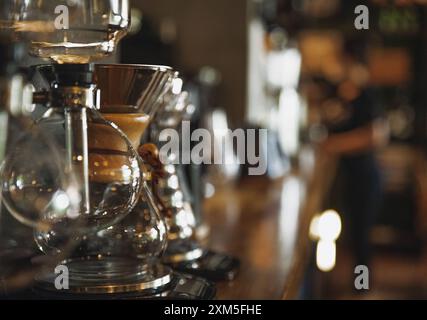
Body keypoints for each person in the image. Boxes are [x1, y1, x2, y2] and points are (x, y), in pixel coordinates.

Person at [316, 39, 389, 268]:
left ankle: (361, 289)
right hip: (343, 176)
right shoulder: (337, 92)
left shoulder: (367, 95)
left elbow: (375, 136)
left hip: (365, 176)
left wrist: (334, 144)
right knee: (341, 236)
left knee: (360, 237)